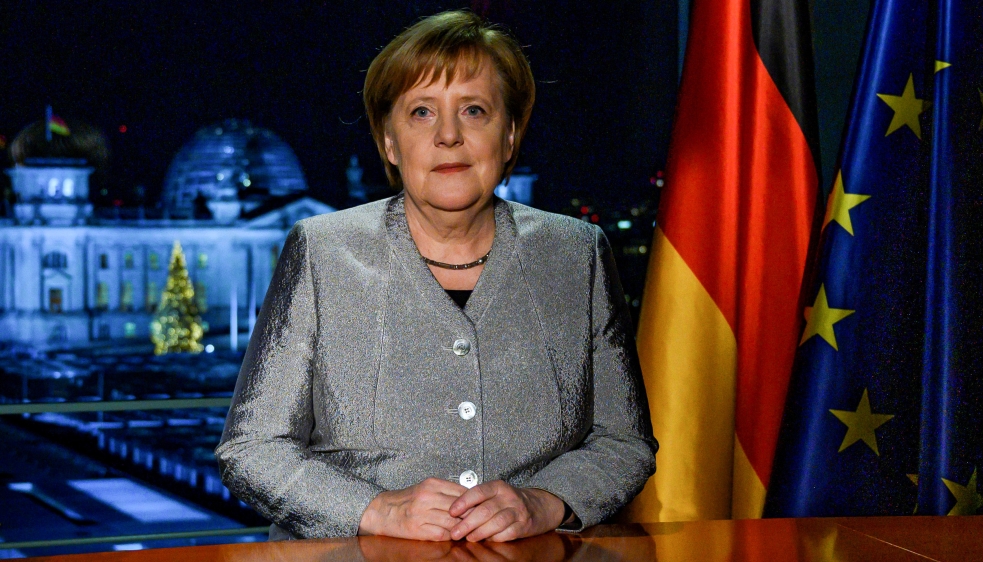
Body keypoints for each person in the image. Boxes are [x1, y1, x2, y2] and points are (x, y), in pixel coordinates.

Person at [216, 10, 656, 543]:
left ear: (511, 134)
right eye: (422, 112)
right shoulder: (321, 251)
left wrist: (546, 502)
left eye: (474, 110)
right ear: (390, 143)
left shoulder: (577, 253)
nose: (449, 136)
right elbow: (250, 451)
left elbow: (623, 442)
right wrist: (376, 511)